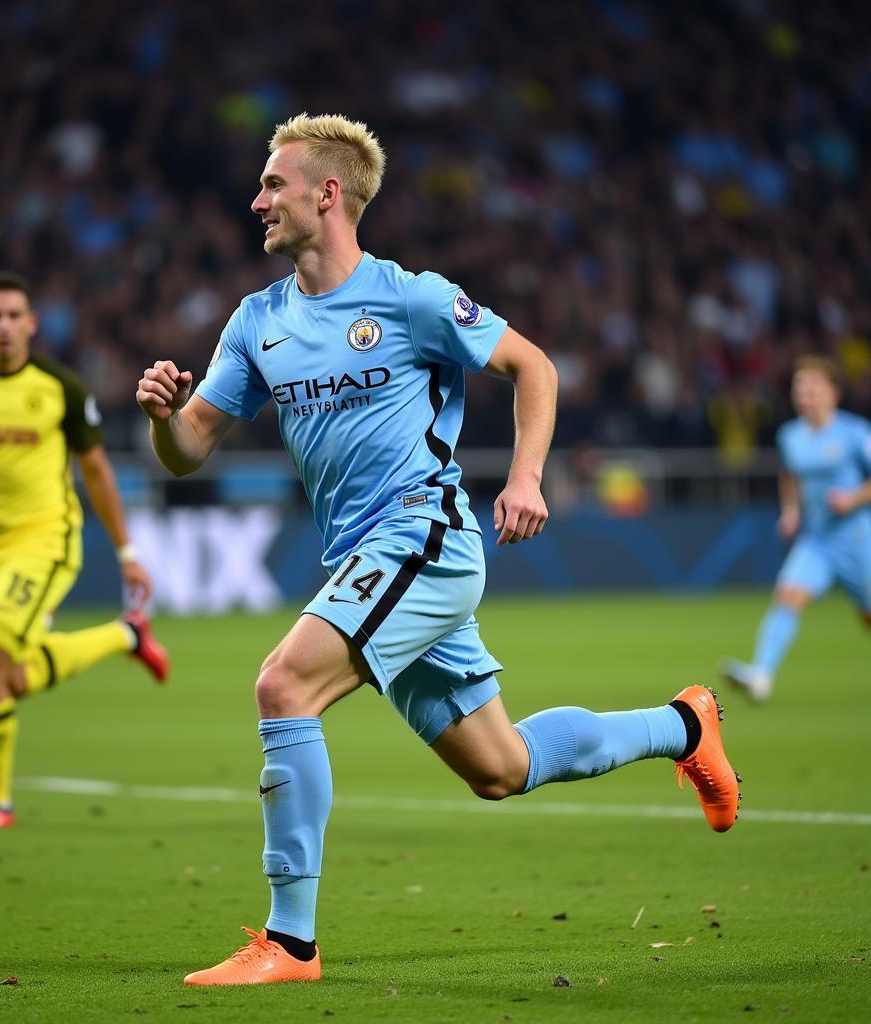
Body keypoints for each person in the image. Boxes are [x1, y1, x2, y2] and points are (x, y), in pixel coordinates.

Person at [136, 114, 740, 987]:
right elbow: (190, 448)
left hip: (425, 535)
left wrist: (526, 477)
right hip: (360, 560)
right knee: (502, 768)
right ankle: (685, 724)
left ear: (327, 193)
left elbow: (535, 366)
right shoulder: (256, 321)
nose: (257, 198)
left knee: (283, 683)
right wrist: (162, 419)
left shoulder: (410, 298)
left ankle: (291, 943)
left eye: (274, 183)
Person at [0, 271, 169, 832]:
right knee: (12, 677)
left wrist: (126, 550)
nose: (4, 326)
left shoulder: (60, 389)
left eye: (14, 316)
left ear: (31, 324)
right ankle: (128, 634)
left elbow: (97, 470)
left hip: (44, 541)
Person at [722, 356, 871, 701]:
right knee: (787, 594)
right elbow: (789, 477)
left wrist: (852, 499)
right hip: (817, 541)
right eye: (799, 387)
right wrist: (790, 511)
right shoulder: (790, 436)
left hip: (857, 539)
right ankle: (761, 674)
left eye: (812, 387)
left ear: (833, 392)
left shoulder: (855, 433)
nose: (805, 394)